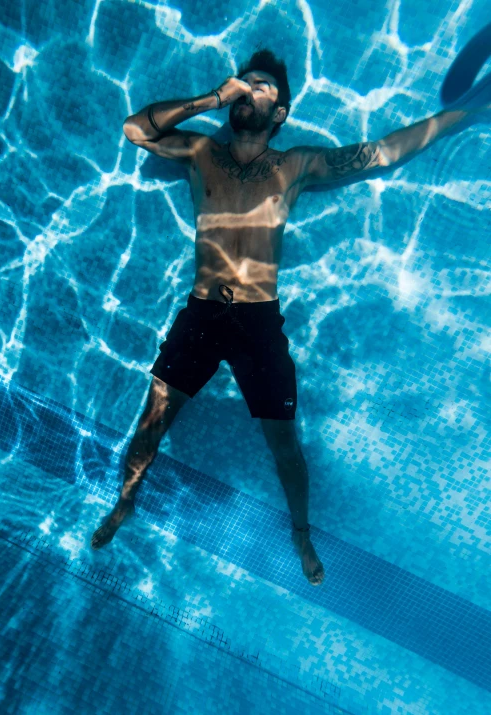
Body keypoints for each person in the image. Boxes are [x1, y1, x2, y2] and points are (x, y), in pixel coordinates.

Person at [91, 48, 472, 586]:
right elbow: (135, 130)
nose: (249, 90)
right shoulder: (200, 151)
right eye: (245, 83)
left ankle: (300, 532)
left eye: (263, 86)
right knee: (150, 423)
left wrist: (463, 114)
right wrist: (210, 98)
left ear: (282, 112)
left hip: (258, 323)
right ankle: (125, 501)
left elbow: (382, 153)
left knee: (285, 446)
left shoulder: (296, 165)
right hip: (202, 312)